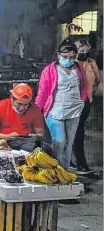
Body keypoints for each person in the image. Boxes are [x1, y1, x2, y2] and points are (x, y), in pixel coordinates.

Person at [35, 40, 88, 170]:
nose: (69, 60)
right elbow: (43, 92)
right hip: (54, 111)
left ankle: (64, 171)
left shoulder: (78, 68)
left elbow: (84, 85)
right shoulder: (50, 70)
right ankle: (54, 168)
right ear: (59, 54)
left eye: (72, 57)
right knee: (59, 142)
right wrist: (35, 110)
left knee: (69, 144)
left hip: (74, 111)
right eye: (65, 57)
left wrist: (83, 101)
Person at [71, 40, 101, 174]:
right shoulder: (70, 63)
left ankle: (78, 162)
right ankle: (79, 163)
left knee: (78, 130)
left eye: (85, 49)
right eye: (80, 49)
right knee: (76, 131)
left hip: (86, 102)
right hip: (72, 103)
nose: (83, 52)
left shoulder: (91, 63)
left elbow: (98, 80)